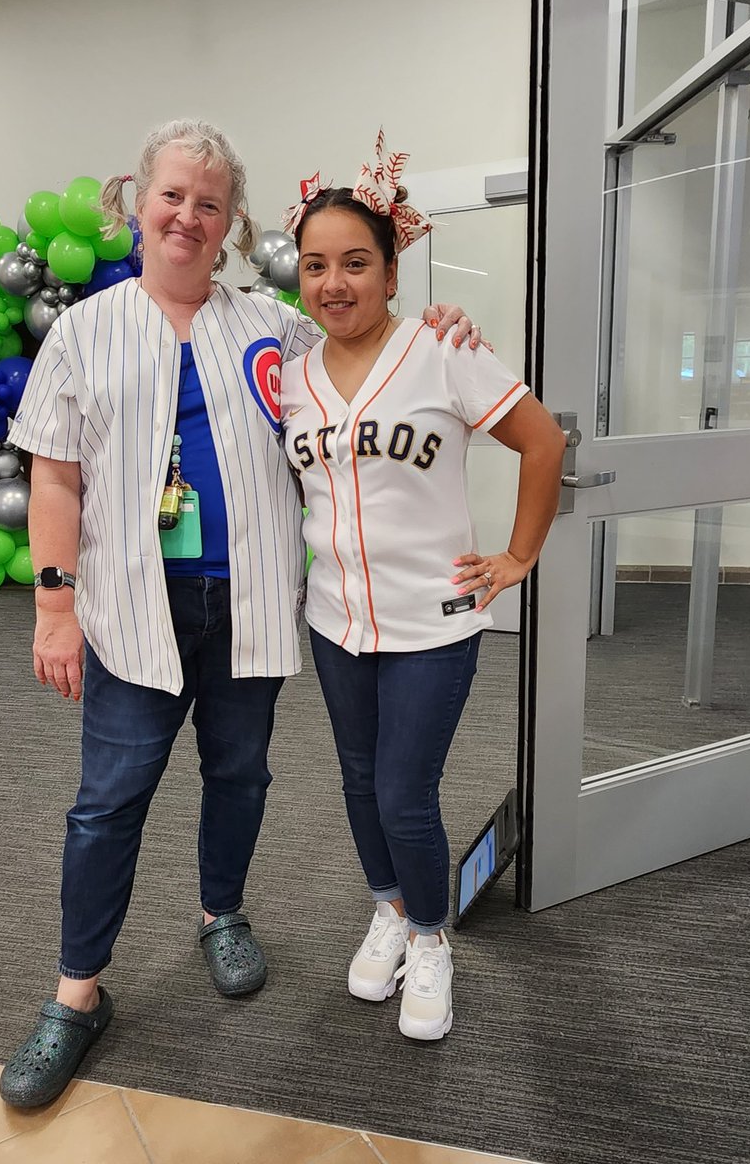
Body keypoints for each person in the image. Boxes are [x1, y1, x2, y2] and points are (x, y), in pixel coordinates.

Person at [0, 119, 480, 1107]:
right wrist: (55, 609)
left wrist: (444, 329)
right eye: (172, 196)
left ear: (230, 224)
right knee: (108, 800)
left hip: (251, 600)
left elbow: (365, 343)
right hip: (135, 605)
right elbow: (53, 478)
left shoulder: (271, 323)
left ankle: (221, 913)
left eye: (208, 204)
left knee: (241, 774)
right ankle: (76, 994)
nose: (188, 216)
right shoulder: (87, 332)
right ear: (136, 203)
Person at [280, 132, 566, 1041]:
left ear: (392, 271)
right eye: (316, 265)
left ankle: (432, 938)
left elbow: (543, 442)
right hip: (336, 621)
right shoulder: (288, 377)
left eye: (356, 263)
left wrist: (518, 557)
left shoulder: (443, 351)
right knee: (359, 783)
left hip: (433, 624)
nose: (336, 282)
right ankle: (391, 913)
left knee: (406, 790)